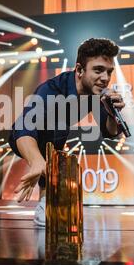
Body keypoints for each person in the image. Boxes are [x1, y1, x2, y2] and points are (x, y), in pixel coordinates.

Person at [8, 38, 125, 226]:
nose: (105, 78)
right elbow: (24, 128)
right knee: (47, 147)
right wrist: (37, 161)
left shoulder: (97, 93)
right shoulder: (51, 90)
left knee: (58, 155)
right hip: (29, 136)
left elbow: (109, 132)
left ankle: (48, 202)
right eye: (98, 70)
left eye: (109, 72)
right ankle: (45, 203)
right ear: (79, 70)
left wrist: (112, 115)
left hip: (57, 136)